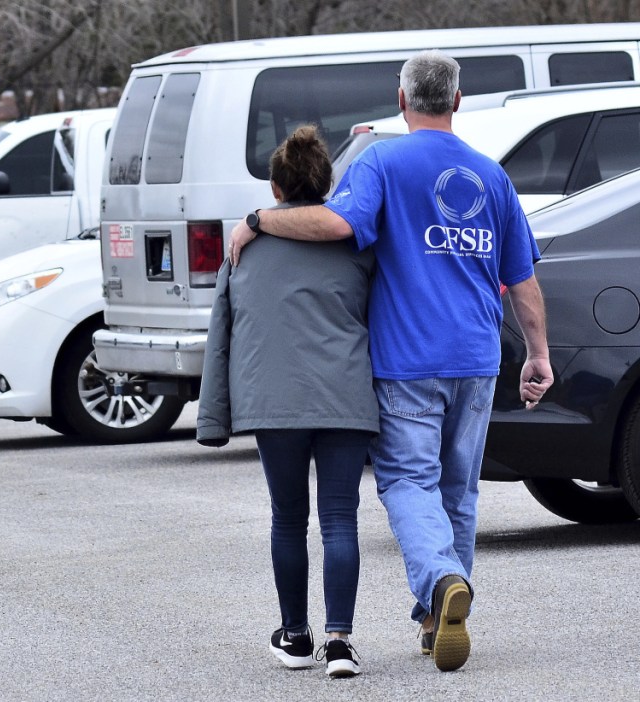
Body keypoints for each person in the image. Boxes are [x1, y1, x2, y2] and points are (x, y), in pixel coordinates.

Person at [227, 50, 553, 673]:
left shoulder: (381, 159)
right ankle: (438, 618)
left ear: (401, 100)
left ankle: (440, 583)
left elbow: (336, 226)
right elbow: (523, 277)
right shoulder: (492, 175)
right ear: (457, 101)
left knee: (408, 482)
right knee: (457, 491)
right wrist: (538, 354)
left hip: (408, 360)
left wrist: (257, 219)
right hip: (478, 359)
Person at [197, 125, 378, 678]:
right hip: (344, 395)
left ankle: (295, 636)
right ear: (326, 187)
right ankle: (341, 643)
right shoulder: (356, 247)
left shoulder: (242, 252)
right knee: (340, 520)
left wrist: (213, 418)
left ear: (275, 190)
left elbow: (220, 335)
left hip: (272, 402)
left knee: (288, 518)